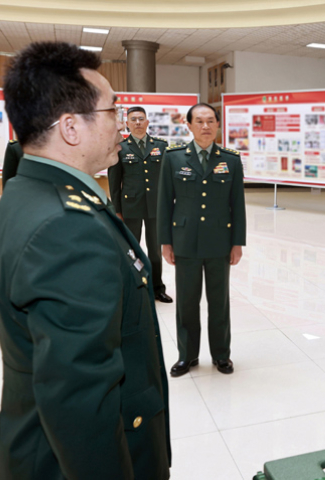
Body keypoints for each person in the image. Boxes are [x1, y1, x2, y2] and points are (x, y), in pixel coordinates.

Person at [0, 41, 170, 479]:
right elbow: (81, 401)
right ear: (71, 128)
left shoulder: (24, 192)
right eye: (113, 111)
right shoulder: (67, 228)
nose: (121, 123)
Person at [157, 103, 246, 377]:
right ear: (189, 126)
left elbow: (237, 204)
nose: (205, 126)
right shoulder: (173, 158)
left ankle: (221, 355)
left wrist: (237, 242)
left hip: (220, 242)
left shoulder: (231, 160)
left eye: (210, 121)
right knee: (186, 303)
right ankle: (187, 356)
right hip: (185, 241)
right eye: (199, 121)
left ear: (218, 124)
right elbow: (164, 202)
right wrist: (165, 241)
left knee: (219, 303)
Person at [108, 106, 173, 303]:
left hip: (155, 207)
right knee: (131, 250)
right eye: (133, 119)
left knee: (155, 251)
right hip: (130, 207)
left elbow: (167, 179)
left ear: (147, 122)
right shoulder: (120, 147)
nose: (137, 122)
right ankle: (132, 288)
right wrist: (117, 210)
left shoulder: (161, 146)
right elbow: (114, 183)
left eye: (141, 119)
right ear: (127, 124)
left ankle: (157, 288)